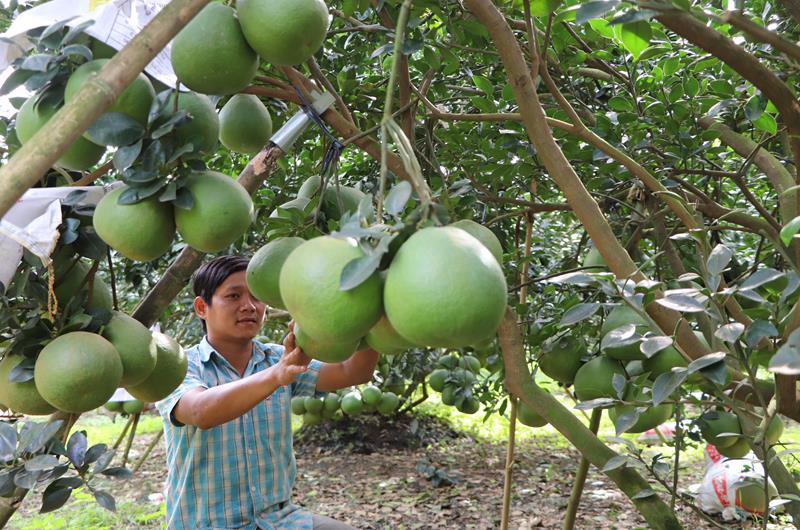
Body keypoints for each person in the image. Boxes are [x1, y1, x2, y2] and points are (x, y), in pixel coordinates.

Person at [156, 255, 379, 530]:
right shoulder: (178, 365)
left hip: (278, 520)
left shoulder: (278, 358)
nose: (249, 306)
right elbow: (201, 410)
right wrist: (276, 375)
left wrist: (372, 309)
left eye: (256, 297)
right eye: (234, 296)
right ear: (202, 307)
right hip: (207, 524)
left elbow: (353, 372)